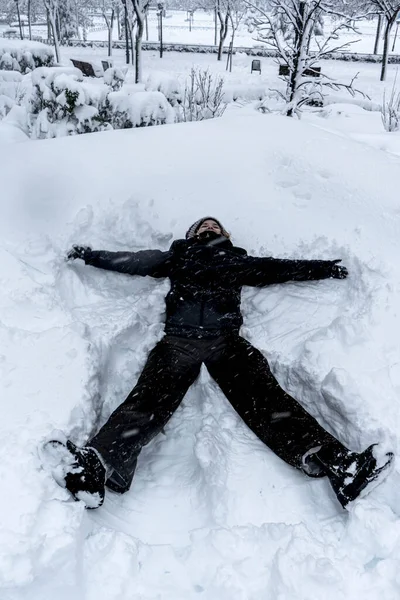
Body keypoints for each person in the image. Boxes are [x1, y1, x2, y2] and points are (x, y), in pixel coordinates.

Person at [47, 217, 393, 510]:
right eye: (203, 225)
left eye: (216, 225)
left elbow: (278, 269)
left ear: (225, 236)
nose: (210, 226)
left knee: (268, 400)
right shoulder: (176, 257)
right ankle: (98, 465)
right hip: (178, 341)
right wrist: (90, 256)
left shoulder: (235, 261)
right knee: (149, 399)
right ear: (191, 235)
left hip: (225, 342)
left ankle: (342, 467)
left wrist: (323, 268)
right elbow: (132, 260)